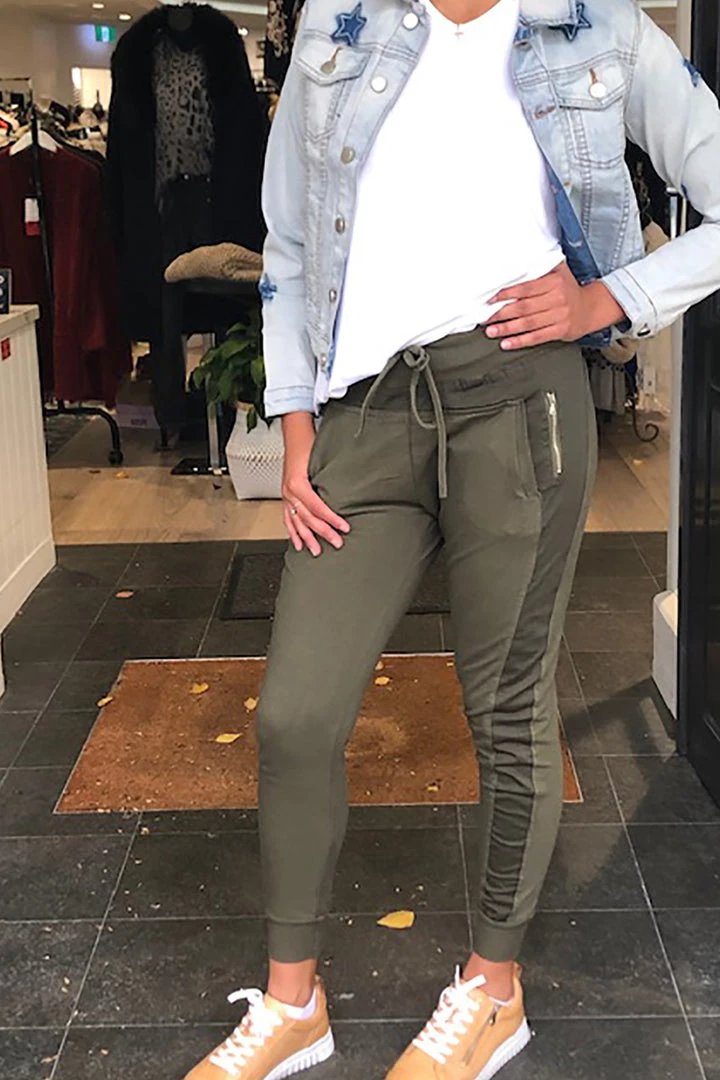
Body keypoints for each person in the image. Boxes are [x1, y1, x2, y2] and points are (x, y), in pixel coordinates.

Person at [184, 0, 720, 1075]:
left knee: (508, 710)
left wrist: (610, 298)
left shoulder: (598, 28)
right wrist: (295, 416)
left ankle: (493, 991)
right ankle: (293, 1004)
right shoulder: (337, 26)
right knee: (295, 715)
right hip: (365, 416)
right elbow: (291, 240)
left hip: (519, 405)